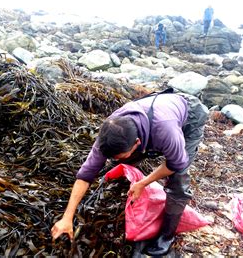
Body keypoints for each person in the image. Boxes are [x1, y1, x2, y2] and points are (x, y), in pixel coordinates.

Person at [51, 89, 209, 256]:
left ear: (137, 143)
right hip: (158, 110)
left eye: (122, 155)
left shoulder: (165, 131)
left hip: (189, 115)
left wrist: (143, 183)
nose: (117, 159)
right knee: (123, 161)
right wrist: (67, 217)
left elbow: (174, 165)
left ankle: (166, 236)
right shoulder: (109, 133)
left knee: (177, 180)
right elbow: (85, 175)